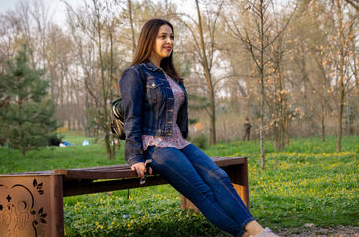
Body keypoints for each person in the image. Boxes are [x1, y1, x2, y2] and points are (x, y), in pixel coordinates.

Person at [119, 18, 278, 237]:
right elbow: (132, 116)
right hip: (155, 146)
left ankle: (258, 232)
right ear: (148, 39)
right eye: (163, 36)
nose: (169, 41)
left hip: (179, 143)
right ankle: (248, 235)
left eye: (172, 37)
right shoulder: (135, 74)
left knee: (219, 177)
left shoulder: (170, 75)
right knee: (202, 192)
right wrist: (135, 157)